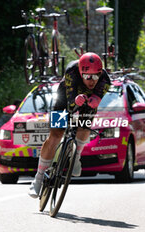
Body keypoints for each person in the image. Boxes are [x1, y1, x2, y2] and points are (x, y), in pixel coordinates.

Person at [28, 52, 111, 198]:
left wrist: (96, 99)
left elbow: (98, 95)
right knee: (55, 136)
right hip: (65, 97)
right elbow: (71, 101)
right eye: (87, 76)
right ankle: (38, 178)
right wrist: (75, 101)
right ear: (80, 72)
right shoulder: (72, 71)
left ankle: (76, 155)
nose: (92, 81)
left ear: (100, 73)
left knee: (85, 125)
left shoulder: (105, 80)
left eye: (95, 76)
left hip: (88, 101)